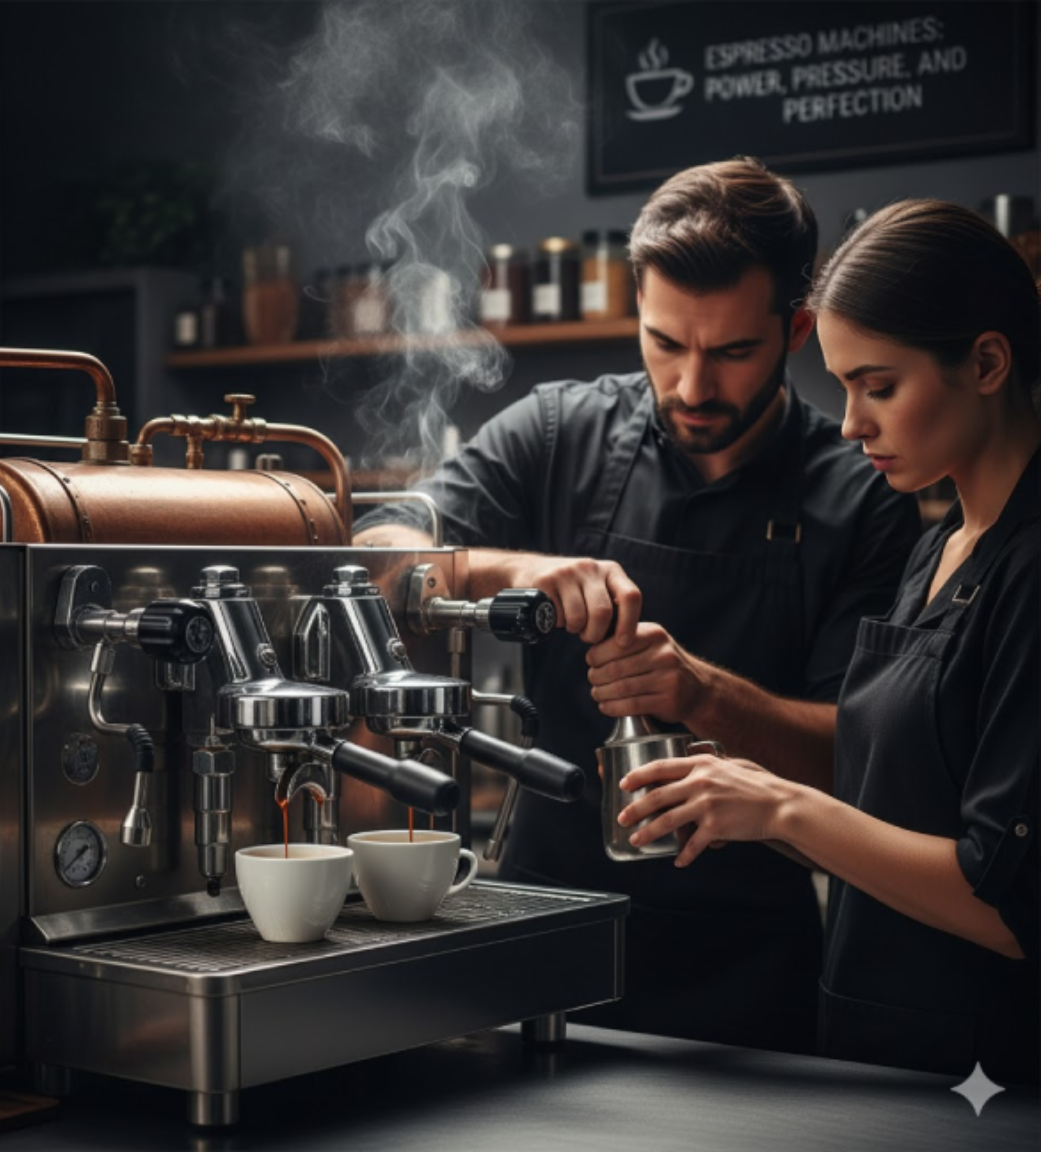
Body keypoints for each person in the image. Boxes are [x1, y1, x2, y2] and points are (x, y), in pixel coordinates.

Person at [354, 158, 923, 1054]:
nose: (693, 386)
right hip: (542, 930)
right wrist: (512, 570)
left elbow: (859, 761)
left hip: (746, 976)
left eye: (731, 352)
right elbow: (371, 560)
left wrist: (703, 695)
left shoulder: (866, 501)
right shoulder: (555, 435)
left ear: (798, 328)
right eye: (665, 343)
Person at [616, 199, 1040, 1084]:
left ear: (988, 362)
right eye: (843, 386)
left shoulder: (1029, 570)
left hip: (995, 1076)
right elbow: (893, 814)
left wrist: (781, 806)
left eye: (878, 386)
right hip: (886, 1050)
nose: (850, 424)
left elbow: (1011, 904)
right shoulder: (941, 545)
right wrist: (739, 801)